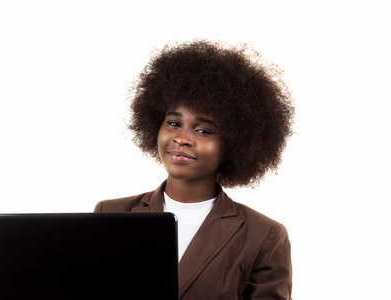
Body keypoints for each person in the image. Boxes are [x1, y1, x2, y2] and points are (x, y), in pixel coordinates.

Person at [94, 40, 294, 300]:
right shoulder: (110, 214)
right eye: (174, 122)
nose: (182, 138)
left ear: (234, 144)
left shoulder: (262, 236)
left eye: (203, 130)